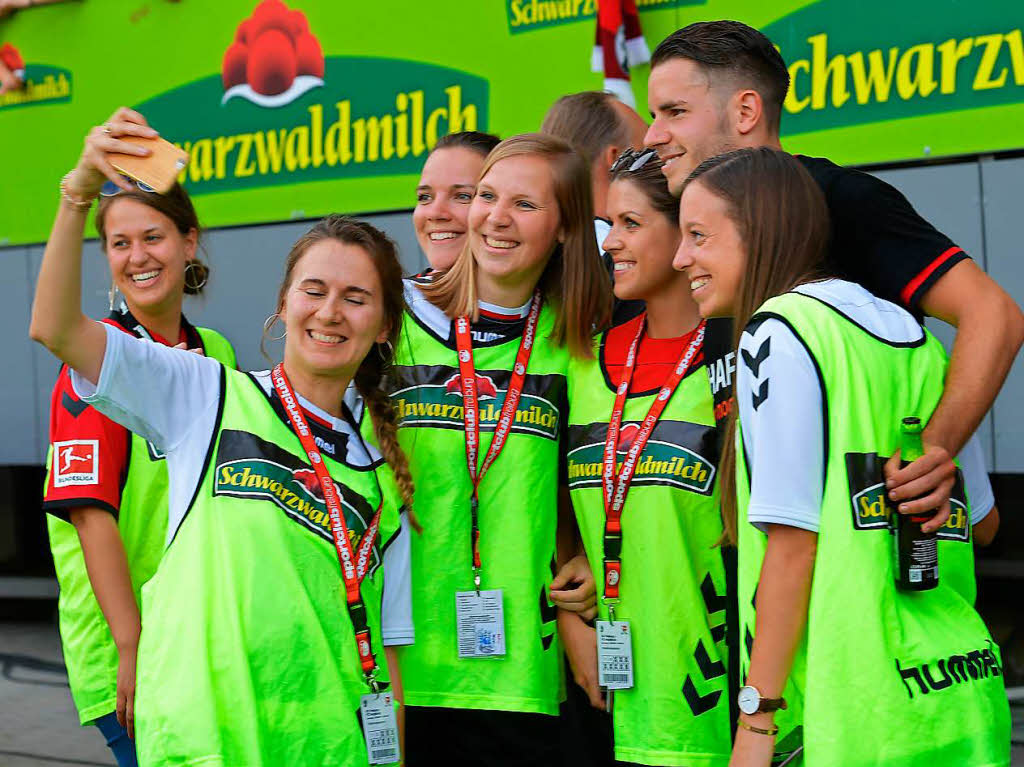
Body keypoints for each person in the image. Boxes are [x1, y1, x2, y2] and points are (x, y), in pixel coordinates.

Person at [31, 108, 415, 766]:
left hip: (326, 746)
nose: (329, 310)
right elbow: (57, 327)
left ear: (383, 325)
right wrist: (79, 192)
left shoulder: (380, 475)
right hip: (206, 741)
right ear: (283, 303)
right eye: (313, 289)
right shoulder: (208, 391)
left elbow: (387, 653)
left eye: (356, 297)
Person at [675, 147, 1009, 767]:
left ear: (761, 230)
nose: (681, 258)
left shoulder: (778, 329)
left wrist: (756, 721)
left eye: (698, 236)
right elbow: (984, 525)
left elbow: (792, 544)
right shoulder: (921, 338)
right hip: (957, 690)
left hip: (847, 710)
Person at [644, 20, 1024, 525]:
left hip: (861, 559)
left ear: (746, 111)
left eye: (674, 112)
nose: (652, 136)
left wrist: (932, 451)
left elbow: (993, 314)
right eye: (653, 115)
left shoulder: (841, 199)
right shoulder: (691, 228)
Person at [391, 132, 612, 766]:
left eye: (525, 204)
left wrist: (583, 575)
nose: (496, 217)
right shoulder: (390, 319)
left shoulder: (579, 339)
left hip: (524, 676)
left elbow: (578, 489)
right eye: (486, 196)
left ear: (568, 228)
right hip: (405, 662)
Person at [41, 115, 236, 767]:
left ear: (189, 242)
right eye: (119, 243)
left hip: (191, 636)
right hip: (130, 646)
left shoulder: (218, 354)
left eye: (153, 236)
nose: (137, 256)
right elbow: (92, 517)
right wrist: (132, 644)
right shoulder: (96, 363)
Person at [562, 146, 731, 766]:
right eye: (610, 224)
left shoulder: (739, 355)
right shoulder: (582, 358)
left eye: (631, 225)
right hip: (604, 696)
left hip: (708, 696)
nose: (610, 243)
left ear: (686, 233)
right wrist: (576, 624)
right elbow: (549, 494)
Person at [541, 91, 649, 326]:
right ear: (618, 158)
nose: (660, 162)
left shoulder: (532, 247)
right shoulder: (637, 253)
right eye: (648, 152)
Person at [413, 130, 501, 273]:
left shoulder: (543, 295)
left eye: (463, 196)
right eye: (425, 197)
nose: (435, 213)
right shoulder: (397, 295)